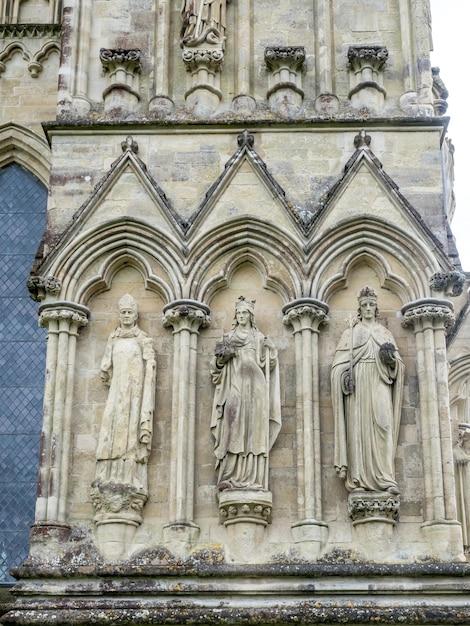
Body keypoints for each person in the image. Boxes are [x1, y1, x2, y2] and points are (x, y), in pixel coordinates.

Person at [331, 287, 404, 494]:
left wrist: (391, 361)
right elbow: (338, 367)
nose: (368, 308)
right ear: (360, 309)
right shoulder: (351, 333)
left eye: (372, 304)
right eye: (365, 305)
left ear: (376, 308)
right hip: (360, 385)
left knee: (383, 425)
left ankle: (386, 477)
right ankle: (359, 480)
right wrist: (345, 378)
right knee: (359, 429)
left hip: (380, 381)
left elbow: (398, 366)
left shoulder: (385, 333)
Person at [210, 297, 281, 491]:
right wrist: (222, 359)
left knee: (253, 432)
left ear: (250, 316)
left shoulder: (258, 338)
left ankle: (253, 478)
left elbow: (268, 365)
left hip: (256, 389)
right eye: (239, 313)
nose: (241, 316)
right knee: (233, 426)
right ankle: (231, 474)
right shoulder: (228, 338)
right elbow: (215, 369)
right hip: (235, 386)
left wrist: (271, 351)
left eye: (245, 313)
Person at [94, 294, 156, 495]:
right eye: (123, 313)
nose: (126, 316)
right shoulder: (113, 338)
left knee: (130, 430)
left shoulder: (143, 339)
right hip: (116, 392)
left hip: (134, 395)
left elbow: (150, 366)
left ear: (136, 315)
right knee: (111, 427)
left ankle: (129, 474)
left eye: (130, 312)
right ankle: (108, 474)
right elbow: (105, 368)